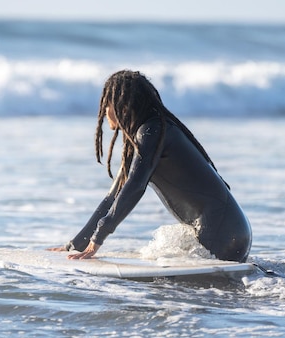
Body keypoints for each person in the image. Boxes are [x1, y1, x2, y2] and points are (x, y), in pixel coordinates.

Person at [49, 70, 251, 262]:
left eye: (106, 105)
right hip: (229, 232)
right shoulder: (145, 135)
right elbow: (113, 197)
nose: (103, 112)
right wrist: (76, 244)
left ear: (123, 106)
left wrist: (98, 239)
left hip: (222, 233)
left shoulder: (153, 132)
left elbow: (135, 187)